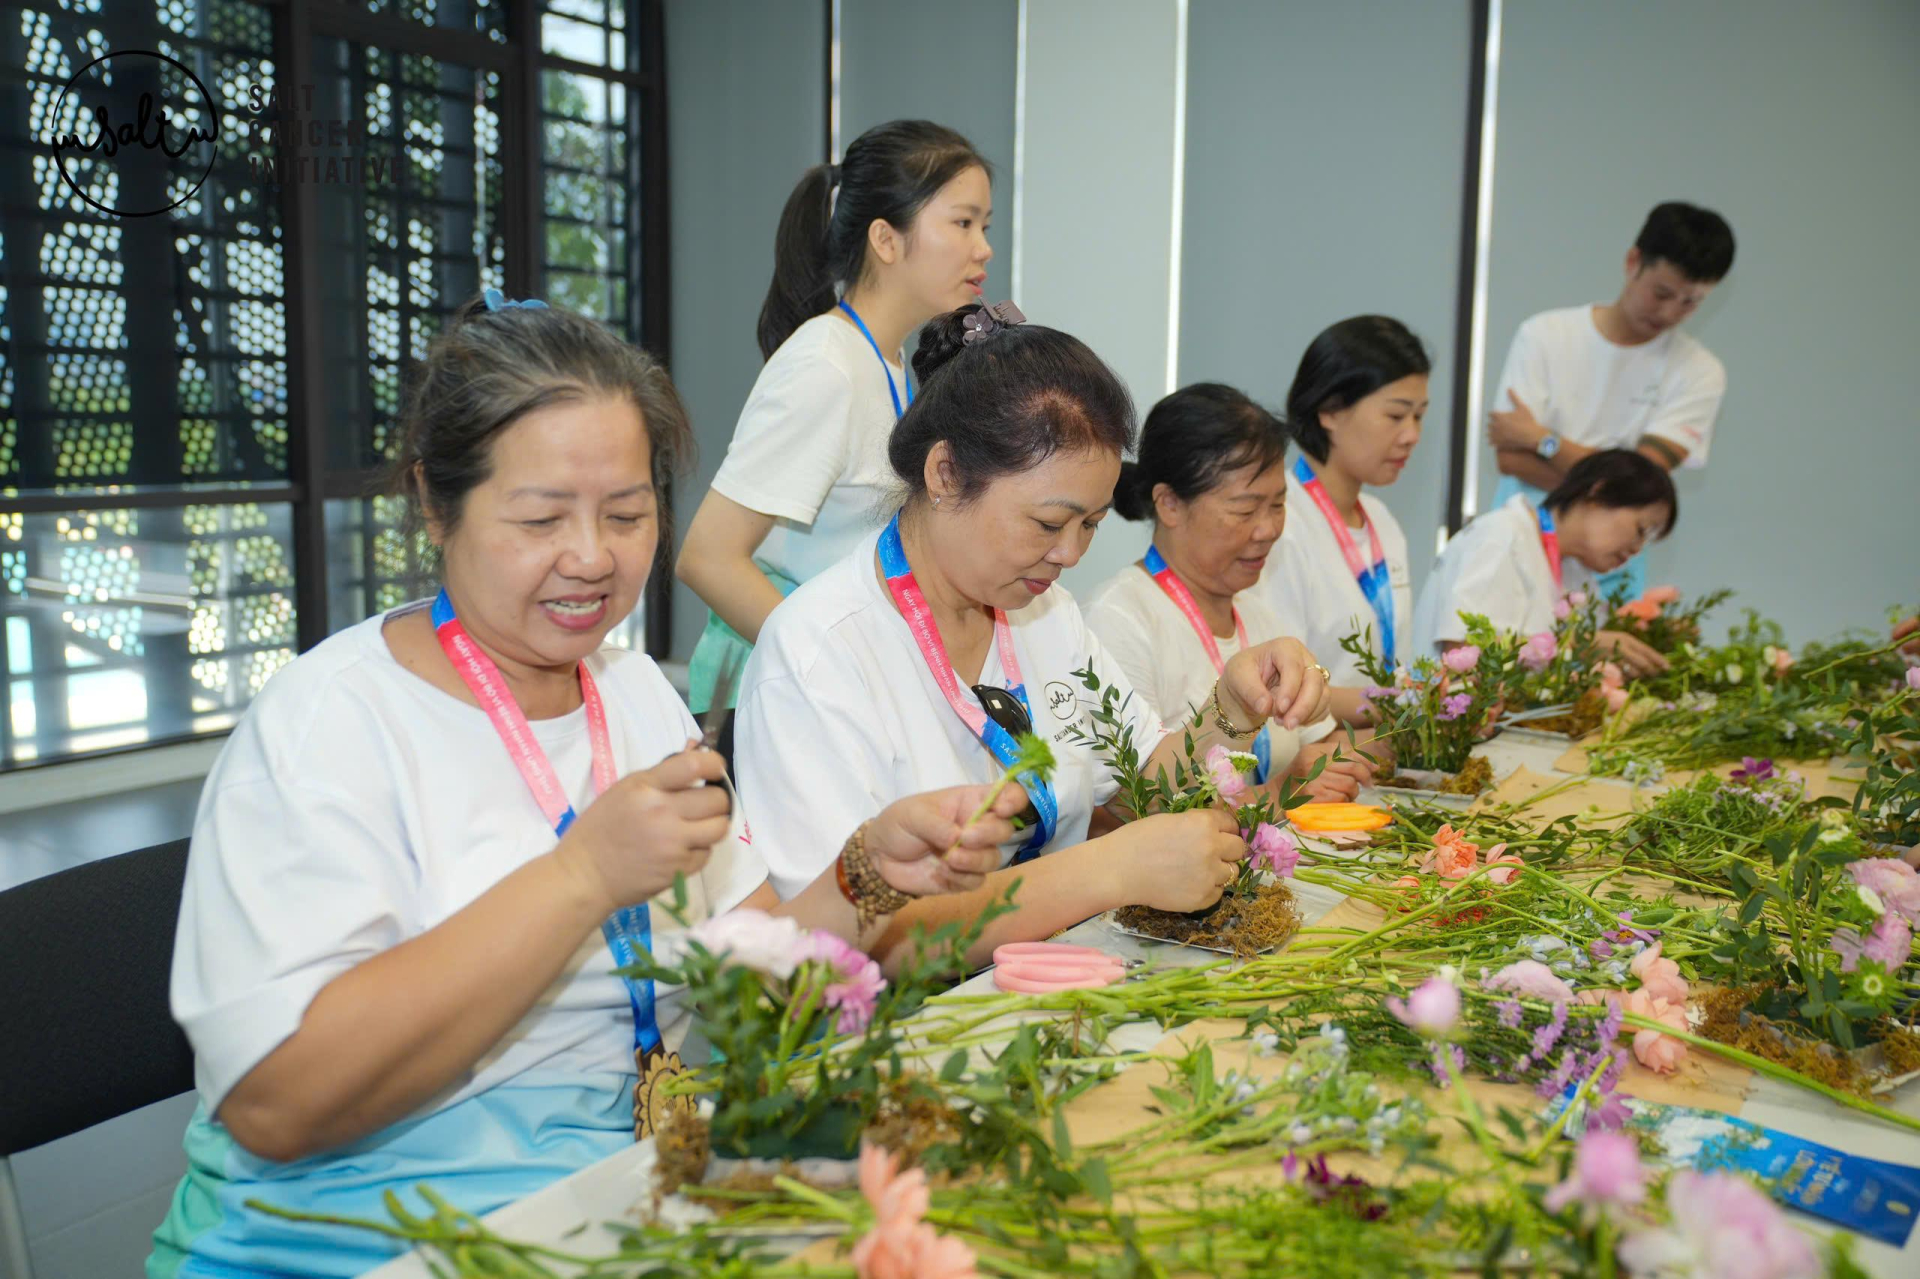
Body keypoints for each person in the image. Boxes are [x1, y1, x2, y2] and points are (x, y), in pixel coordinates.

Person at [146, 294, 1027, 1278]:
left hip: (614, 1197)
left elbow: (750, 984)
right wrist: (579, 879)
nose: (594, 557)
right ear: (436, 504)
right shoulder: (330, 727)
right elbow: (276, 1103)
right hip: (362, 1240)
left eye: (627, 512)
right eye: (541, 517)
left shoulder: (633, 692)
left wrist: (869, 871)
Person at [733, 305, 1333, 968]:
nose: (1070, 553)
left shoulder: (1047, 617)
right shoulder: (819, 652)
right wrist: (1107, 871)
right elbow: (851, 939)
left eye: (1092, 526)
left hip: (1057, 982)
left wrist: (1234, 707)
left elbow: (1152, 783)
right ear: (944, 474)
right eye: (1049, 524)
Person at [676, 120, 995, 751]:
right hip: (780, 701)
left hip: (840, 691)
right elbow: (707, 557)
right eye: (963, 223)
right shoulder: (825, 364)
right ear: (885, 238)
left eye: (985, 226)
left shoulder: (893, 362)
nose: (983, 248)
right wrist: (830, 664)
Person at [1087, 382, 1378, 803]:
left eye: (1278, 506)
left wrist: (1420, 725)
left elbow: (1322, 746)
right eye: (1244, 510)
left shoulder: (1260, 618)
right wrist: (1278, 796)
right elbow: (1119, 814)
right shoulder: (1119, 621)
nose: (1268, 530)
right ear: (1169, 504)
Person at [1486, 201, 1735, 599]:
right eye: (1662, 293)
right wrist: (1617, 489)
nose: (1671, 312)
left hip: (1614, 562)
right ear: (1633, 262)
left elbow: (1642, 486)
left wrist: (1542, 440)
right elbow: (1510, 459)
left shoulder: (1700, 373)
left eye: (1691, 302)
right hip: (1526, 534)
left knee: (1606, 655)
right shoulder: (1546, 336)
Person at [1252, 316, 1425, 694]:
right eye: (1396, 415)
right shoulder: (1279, 525)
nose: (1412, 434)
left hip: (1378, 742)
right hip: (1314, 747)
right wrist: (1399, 704)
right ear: (1329, 410)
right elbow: (1280, 685)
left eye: (1419, 416)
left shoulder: (1383, 521)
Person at [1412, 448, 1677, 676]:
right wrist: (1580, 646)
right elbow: (1461, 653)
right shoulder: (1503, 535)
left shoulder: (1577, 574)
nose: (1637, 549)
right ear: (1599, 492)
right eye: (1642, 530)